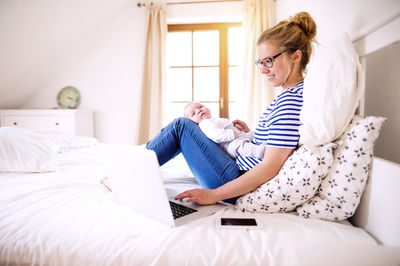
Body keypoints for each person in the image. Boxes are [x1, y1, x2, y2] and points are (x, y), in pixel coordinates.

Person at [146, 11, 317, 205]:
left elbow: (270, 166)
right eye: (260, 62)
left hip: (234, 181)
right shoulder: (288, 95)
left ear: (296, 56)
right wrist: (251, 133)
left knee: (181, 126)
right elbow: (274, 144)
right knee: (186, 127)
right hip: (236, 169)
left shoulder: (290, 102)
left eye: (269, 60)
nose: (263, 69)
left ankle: (133, 170)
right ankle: (135, 167)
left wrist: (214, 194)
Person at [183, 101, 266, 159]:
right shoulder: (204, 123)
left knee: (253, 133)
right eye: (193, 113)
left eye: (200, 107)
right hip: (229, 145)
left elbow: (224, 126)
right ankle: (257, 151)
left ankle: (265, 137)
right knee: (240, 146)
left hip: (238, 136)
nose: (199, 110)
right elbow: (215, 135)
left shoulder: (213, 120)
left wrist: (235, 128)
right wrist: (231, 134)